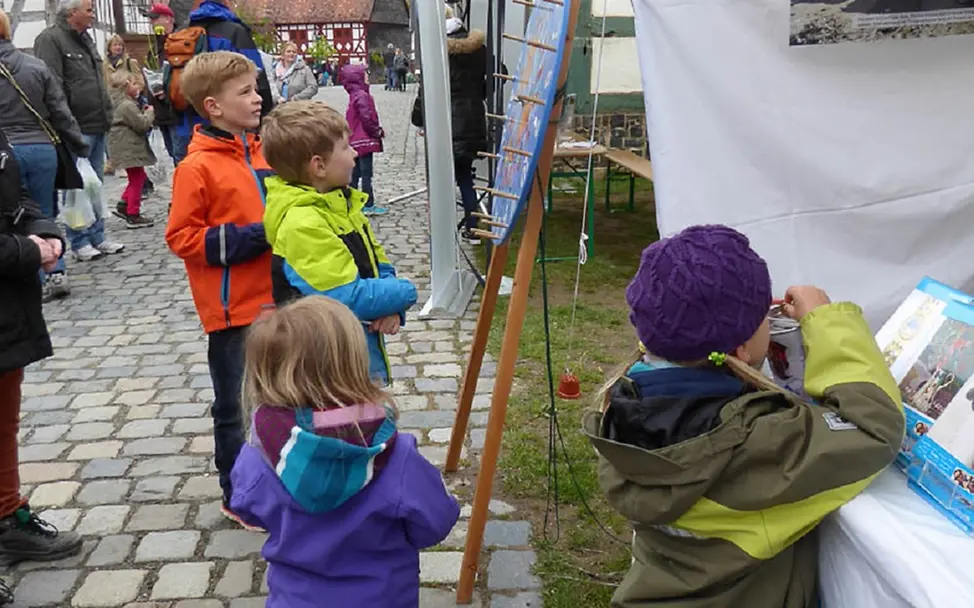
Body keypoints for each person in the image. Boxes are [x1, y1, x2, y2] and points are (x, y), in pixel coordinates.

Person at [582, 225, 906, 608]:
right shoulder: (758, 443)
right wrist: (828, 320)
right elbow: (876, 428)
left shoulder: (620, 405)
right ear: (742, 348)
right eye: (763, 318)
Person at [230, 295, 459, 607]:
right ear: (354, 365)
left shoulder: (259, 456)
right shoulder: (394, 456)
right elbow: (437, 521)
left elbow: (246, 506)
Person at [164, 51, 274, 528]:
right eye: (246, 92)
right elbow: (181, 238)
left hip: (278, 299)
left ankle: (278, 481)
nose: (258, 98)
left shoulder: (265, 151)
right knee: (236, 405)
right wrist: (256, 236)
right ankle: (238, 493)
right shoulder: (196, 168)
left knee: (277, 400)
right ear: (212, 106)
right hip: (232, 310)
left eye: (256, 88)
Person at [260, 100, 418, 386]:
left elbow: (378, 263)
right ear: (318, 166)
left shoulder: (341, 205)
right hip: (325, 368)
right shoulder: (302, 223)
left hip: (355, 351)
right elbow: (347, 297)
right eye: (345, 147)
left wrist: (391, 308)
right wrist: (405, 293)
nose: (355, 153)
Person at [0, 129, 83, 578]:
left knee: (4, 418)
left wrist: (44, 231)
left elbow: (18, 196)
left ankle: (8, 516)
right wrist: (23, 250)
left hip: (8, 306)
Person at [0, 9, 88, 301]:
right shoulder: (35, 66)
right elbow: (60, 111)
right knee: (43, 212)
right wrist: (78, 143)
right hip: (41, 149)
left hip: (5, 152)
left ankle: (31, 277)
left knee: (11, 218)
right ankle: (56, 269)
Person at [34, 0, 125, 262]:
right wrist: (66, 125)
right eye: (89, 9)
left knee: (95, 185)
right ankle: (80, 240)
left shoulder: (86, 39)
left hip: (96, 124)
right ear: (72, 12)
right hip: (76, 127)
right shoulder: (51, 39)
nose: (93, 14)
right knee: (76, 188)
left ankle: (98, 235)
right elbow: (53, 87)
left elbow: (97, 81)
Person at [411, 7, 487, 244]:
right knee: (465, 177)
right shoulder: (479, 49)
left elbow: (427, 90)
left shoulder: (437, 50)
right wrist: (478, 95)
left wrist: (418, 117)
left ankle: (442, 233)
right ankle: (473, 229)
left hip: (444, 125)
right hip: (472, 120)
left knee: (441, 179)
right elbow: (497, 75)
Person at [171, 0, 275, 164]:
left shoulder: (180, 33)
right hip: (229, 130)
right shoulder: (234, 31)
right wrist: (266, 117)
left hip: (187, 126)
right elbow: (256, 76)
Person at [107, 71, 155, 229]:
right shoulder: (127, 105)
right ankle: (133, 213)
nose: (138, 87)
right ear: (125, 86)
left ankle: (124, 203)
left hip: (123, 145)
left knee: (137, 176)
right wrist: (149, 113)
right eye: (134, 84)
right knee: (137, 179)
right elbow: (141, 125)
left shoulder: (116, 102)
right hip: (129, 147)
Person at [341, 64, 386, 216]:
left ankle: (350, 202)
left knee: (355, 173)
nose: (367, 76)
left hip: (354, 140)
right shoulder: (362, 96)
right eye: (365, 74)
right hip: (364, 140)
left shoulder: (354, 94)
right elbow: (367, 117)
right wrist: (377, 131)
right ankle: (368, 203)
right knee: (366, 173)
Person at [102, 34, 144, 179]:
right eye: (115, 45)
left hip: (126, 102)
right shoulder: (104, 64)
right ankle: (112, 162)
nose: (118, 47)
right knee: (111, 133)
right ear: (109, 48)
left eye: (120, 45)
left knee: (126, 133)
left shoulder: (129, 62)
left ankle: (128, 164)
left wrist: (132, 92)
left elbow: (140, 81)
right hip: (109, 103)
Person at [145, 3, 179, 164]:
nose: (152, 23)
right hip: (160, 111)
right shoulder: (155, 46)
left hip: (175, 109)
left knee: (181, 155)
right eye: (151, 20)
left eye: (155, 18)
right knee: (173, 154)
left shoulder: (180, 42)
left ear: (168, 18)